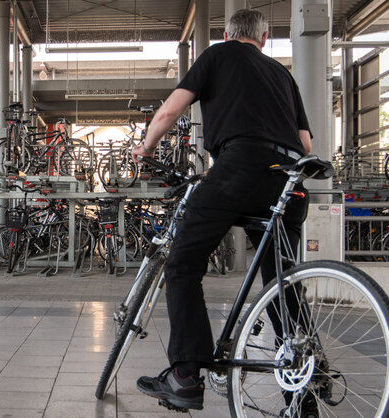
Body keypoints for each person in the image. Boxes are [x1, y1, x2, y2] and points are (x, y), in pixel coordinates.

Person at [130, 9, 313, 411]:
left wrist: (146, 147)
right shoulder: (282, 75)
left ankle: (185, 376)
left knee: (183, 263)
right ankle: (303, 388)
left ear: (228, 34)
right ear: (264, 38)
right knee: (281, 280)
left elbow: (169, 111)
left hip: (239, 169)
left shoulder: (218, 55)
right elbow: (306, 143)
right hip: (288, 179)